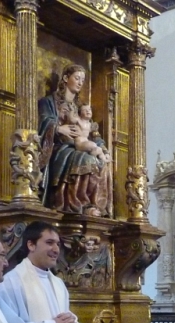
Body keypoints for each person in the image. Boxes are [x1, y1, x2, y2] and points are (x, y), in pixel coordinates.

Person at [38, 64, 113, 216]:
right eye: (77, 78)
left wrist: (104, 150)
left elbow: (93, 133)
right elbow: (41, 123)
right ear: (66, 78)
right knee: (86, 160)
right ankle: (77, 204)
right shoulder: (49, 102)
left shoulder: (81, 108)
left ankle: (96, 205)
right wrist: (59, 129)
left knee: (103, 163)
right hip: (59, 147)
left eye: (82, 80)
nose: (80, 83)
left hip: (80, 145)